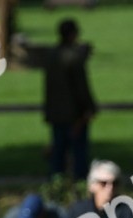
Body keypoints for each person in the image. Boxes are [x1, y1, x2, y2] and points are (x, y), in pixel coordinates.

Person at [42, 18, 97, 180]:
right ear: (73, 34)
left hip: (55, 114)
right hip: (74, 116)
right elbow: (81, 87)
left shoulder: (52, 56)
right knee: (79, 154)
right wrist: (89, 109)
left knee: (58, 155)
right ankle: (80, 188)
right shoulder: (74, 58)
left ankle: (56, 187)